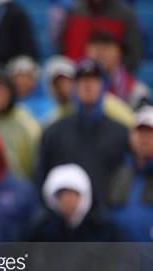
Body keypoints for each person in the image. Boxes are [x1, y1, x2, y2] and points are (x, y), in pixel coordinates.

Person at [35, 59, 129, 201]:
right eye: (82, 80)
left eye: (94, 80)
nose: (88, 85)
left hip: (107, 217)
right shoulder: (54, 133)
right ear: (74, 87)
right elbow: (41, 176)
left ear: (103, 86)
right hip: (66, 217)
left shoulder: (120, 133)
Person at [26, 163, 122, 242]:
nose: (68, 201)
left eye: (73, 195)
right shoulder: (42, 230)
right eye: (63, 196)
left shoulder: (103, 230)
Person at [107, 105, 153, 242]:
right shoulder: (118, 173)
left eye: (150, 133)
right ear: (131, 137)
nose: (144, 138)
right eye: (140, 132)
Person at [59, 0, 143, 72]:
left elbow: (133, 56)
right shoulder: (73, 11)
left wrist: (112, 76)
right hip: (76, 82)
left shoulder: (126, 15)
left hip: (114, 85)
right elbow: (63, 51)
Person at [85, 30, 150, 109]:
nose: (100, 54)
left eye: (106, 48)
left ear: (119, 53)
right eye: (96, 48)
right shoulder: (73, 82)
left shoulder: (135, 90)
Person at [6, 55, 55, 123]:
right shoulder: (5, 100)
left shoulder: (47, 101)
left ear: (35, 80)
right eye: (19, 77)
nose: (22, 81)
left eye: (27, 77)